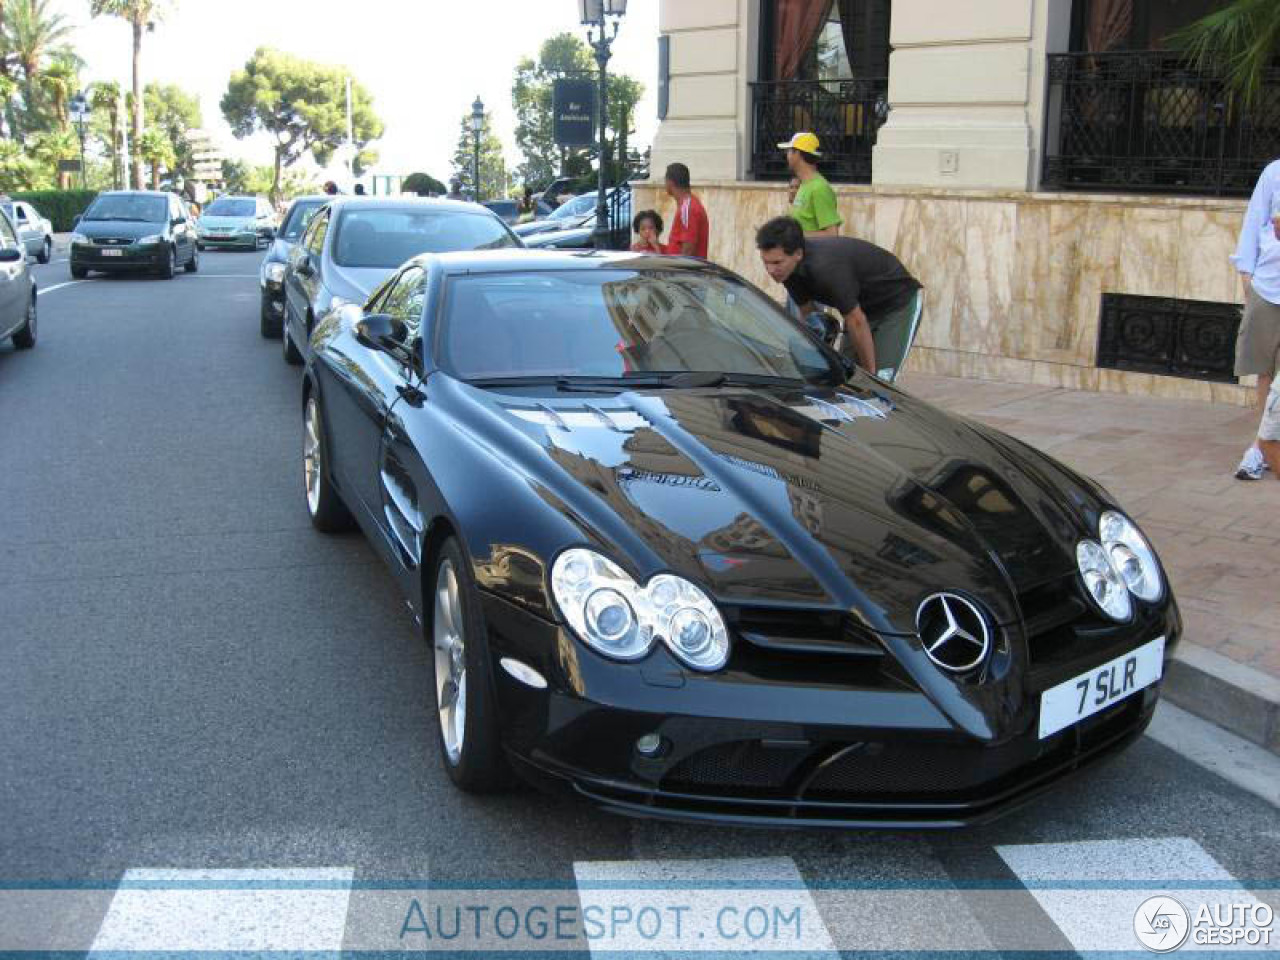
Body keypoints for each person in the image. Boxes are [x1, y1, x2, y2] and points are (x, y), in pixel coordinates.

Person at [756, 216, 921, 378]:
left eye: (777, 263)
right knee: (847, 378)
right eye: (766, 263)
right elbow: (811, 317)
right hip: (861, 309)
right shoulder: (788, 272)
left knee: (879, 381)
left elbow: (856, 321)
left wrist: (871, 378)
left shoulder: (826, 268)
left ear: (798, 253)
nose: (770, 271)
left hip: (897, 304)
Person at [1231, 157, 1280, 480]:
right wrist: (1246, 272)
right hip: (1268, 284)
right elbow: (1255, 219)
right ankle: (1260, 449)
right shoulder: (1274, 171)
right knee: (1265, 372)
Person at [778, 132, 841, 236]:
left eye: (789, 151)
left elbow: (832, 234)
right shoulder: (803, 185)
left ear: (797, 154)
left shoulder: (819, 188)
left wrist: (795, 236)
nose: (787, 155)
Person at [662, 162, 709, 259]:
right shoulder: (688, 205)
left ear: (670, 182)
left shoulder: (688, 208)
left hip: (686, 272)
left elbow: (688, 248)